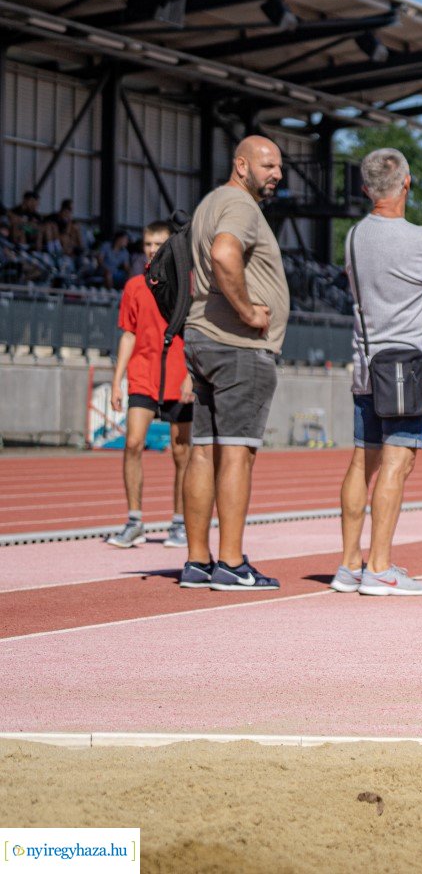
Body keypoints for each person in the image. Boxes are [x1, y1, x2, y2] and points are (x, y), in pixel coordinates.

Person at [332, 149, 422, 598]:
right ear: (407, 184)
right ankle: (379, 567)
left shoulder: (354, 236)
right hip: (409, 366)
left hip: (366, 362)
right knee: (398, 463)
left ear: (365, 189)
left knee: (363, 460)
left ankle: (348, 564)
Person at [178, 136, 289, 591]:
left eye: (279, 166)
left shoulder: (211, 202)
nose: (277, 173)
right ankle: (230, 562)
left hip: (203, 337)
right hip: (237, 345)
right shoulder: (241, 207)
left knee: (202, 450)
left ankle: (198, 560)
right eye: (267, 165)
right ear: (241, 165)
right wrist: (248, 311)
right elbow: (225, 254)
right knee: (238, 452)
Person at [104, 221, 195, 549]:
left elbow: (196, 333)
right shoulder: (134, 287)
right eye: (147, 244)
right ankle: (134, 520)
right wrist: (117, 381)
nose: (152, 250)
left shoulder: (187, 285)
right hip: (142, 376)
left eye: (158, 244)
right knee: (132, 443)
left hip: (177, 377)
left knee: (182, 454)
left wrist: (191, 375)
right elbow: (128, 333)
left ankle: (179, 523)